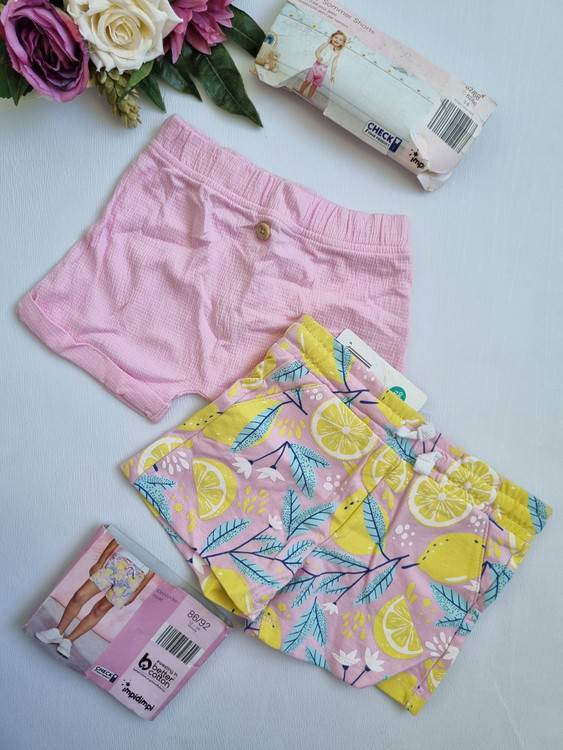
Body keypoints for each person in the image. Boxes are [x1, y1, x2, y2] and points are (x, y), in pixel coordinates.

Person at [35, 539, 154, 658]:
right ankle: (58, 631)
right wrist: (100, 562)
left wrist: (136, 593)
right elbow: (119, 538)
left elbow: (154, 567)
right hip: (119, 561)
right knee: (80, 595)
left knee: (100, 610)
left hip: (136, 576)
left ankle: (69, 641)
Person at [299, 30, 347, 100]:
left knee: (315, 85)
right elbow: (317, 51)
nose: (337, 40)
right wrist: (318, 56)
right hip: (316, 66)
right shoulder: (326, 45)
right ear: (332, 37)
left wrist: (332, 75)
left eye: (340, 40)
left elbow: (334, 64)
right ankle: (300, 92)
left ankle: (309, 97)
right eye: (336, 37)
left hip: (323, 70)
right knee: (307, 81)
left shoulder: (337, 53)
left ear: (342, 43)